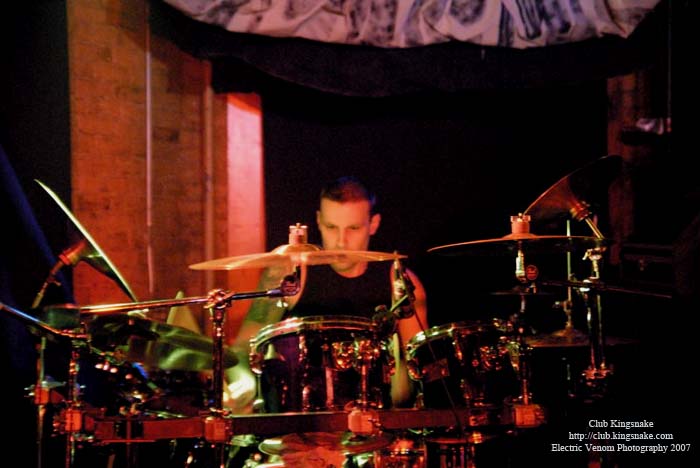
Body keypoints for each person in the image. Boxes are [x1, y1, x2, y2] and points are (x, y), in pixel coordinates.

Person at [223, 176, 428, 414]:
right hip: (302, 420)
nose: (341, 242)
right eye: (331, 227)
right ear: (319, 221)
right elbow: (243, 348)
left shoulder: (399, 283)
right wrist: (243, 381)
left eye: (353, 228)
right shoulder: (291, 274)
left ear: (373, 224)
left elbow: (420, 365)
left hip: (377, 421)